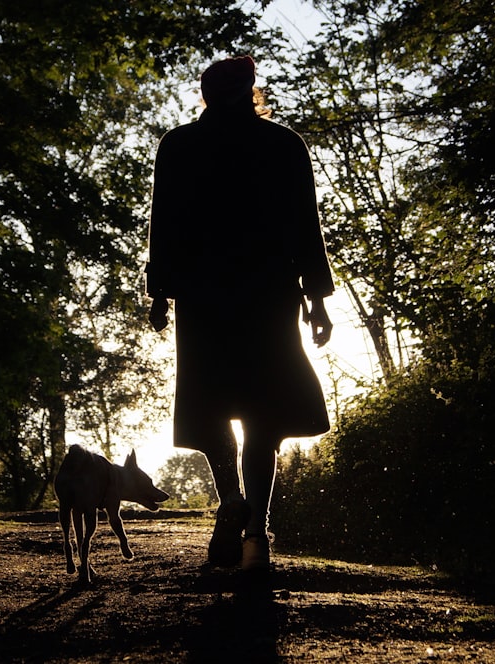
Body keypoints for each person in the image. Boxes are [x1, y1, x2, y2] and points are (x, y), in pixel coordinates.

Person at [145, 55, 334, 572]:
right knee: (264, 413)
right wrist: (317, 298)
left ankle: (231, 499)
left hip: (206, 298)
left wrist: (160, 292)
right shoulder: (282, 144)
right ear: (252, 92)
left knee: (210, 403)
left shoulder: (180, 145)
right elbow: (303, 224)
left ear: (206, 95)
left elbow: (165, 222)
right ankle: (256, 531)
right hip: (268, 296)